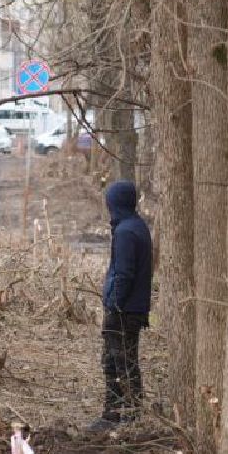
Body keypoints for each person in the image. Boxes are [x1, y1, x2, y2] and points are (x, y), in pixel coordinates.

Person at [88, 180, 153, 433]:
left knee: (119, 362)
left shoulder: (126, 232)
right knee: (119, 361)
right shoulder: (136, 226)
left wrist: (113, 304)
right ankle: (120, 413)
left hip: (124, 310)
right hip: (130, 308)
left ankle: (125, 415)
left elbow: (124, 273)